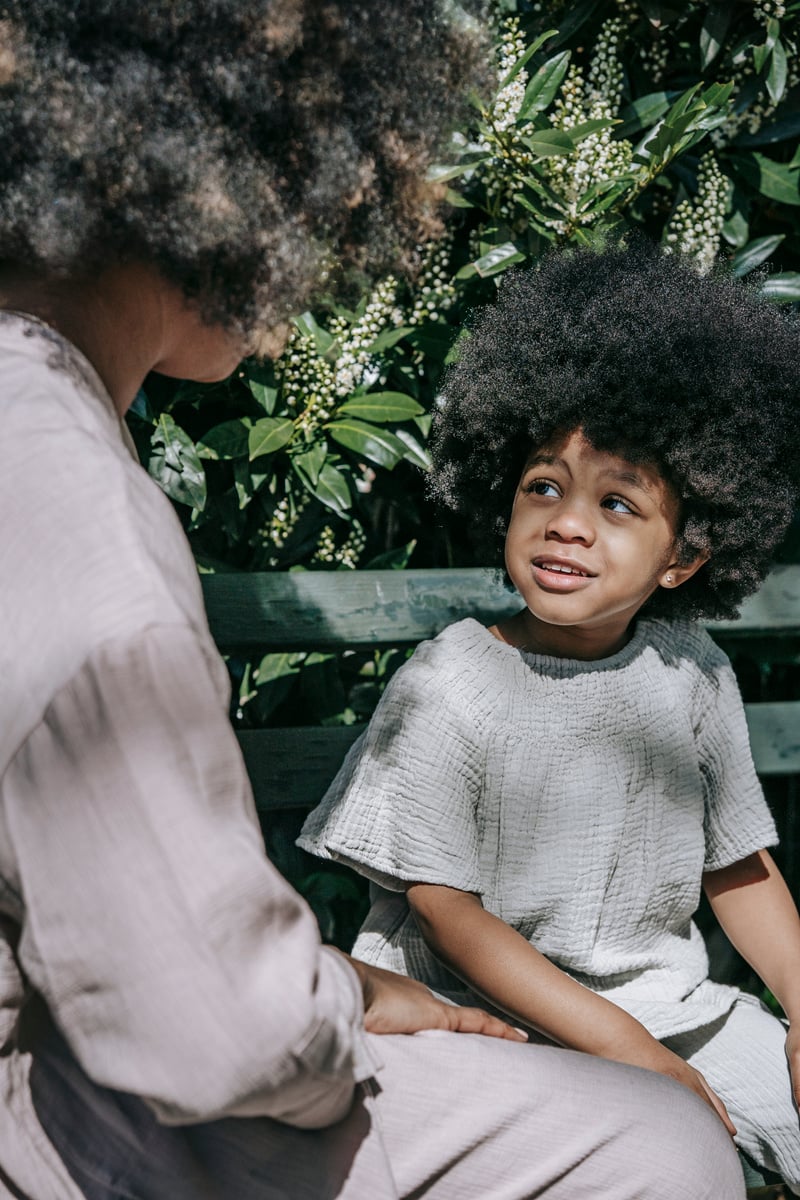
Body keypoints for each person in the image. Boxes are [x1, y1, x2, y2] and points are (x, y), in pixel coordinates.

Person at [0, 4, 747, 1196]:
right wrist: (355, 997)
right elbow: (221, 1028)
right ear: (221, 179)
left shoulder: (40, 433)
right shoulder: (84, 529)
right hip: (66, 1109)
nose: (321, 259)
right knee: (660, 1146)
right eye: (319, 204)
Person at [300, 244, 800, 1190]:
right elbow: (447, 917)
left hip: (668, 1006)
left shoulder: (688, 671)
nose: (568, 522)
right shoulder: (452, 682)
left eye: (617, 502)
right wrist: (631, 1055)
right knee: (683, 1157)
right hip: (481, 1018)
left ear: (685, 559)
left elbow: (736, 863)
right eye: (544, 486)